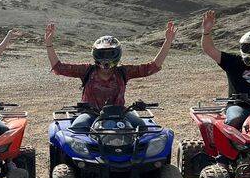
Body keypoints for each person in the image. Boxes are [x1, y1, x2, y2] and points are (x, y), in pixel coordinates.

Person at [45, 20, 175, 130]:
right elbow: (59, 68)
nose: (106, 59)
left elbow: (151, 68)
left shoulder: (123, 71)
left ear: (117, 54)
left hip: (120, 113)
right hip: (91, 114)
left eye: (110, 54)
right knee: (78, 128)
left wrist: (167, 42)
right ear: (95, 54)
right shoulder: (87, 70)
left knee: (141, 128)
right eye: (102, 54)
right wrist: (49, 44)